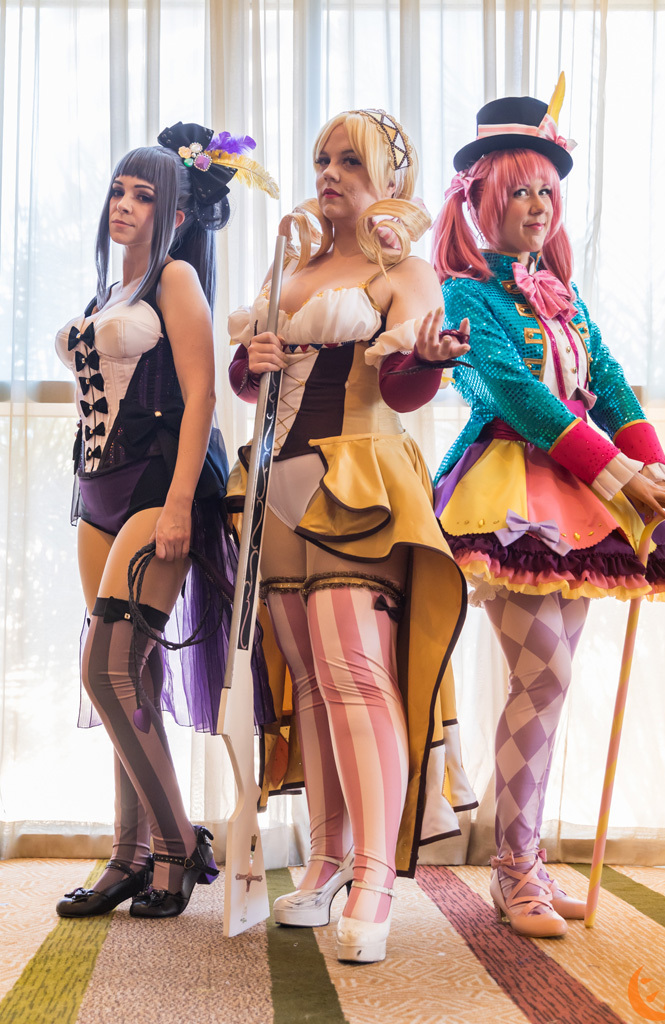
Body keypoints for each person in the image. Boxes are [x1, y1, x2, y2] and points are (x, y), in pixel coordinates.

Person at [431, 85, 665, 938]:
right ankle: (511, 868)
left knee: (548, 682)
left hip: (578, 492)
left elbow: (605, 381)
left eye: (546, 190)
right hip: (506, 489)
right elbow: (511, 393)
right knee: (544, 673)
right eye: (520, 190)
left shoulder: (560, 293)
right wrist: (619, 473)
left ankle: (525, 860)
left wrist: (656, 471)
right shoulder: (464, 293)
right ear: (482, 198)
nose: (537, 206)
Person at [228, 108, 477, 962]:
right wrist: (250, 363)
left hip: (358, 478)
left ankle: (374, 875)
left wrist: (429, 360)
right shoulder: (291, 267)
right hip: (274, 483)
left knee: (356, 672)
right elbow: (253, 379)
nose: (329, 173)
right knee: (307, 677)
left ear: (389, 180)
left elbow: (403, 387)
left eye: (351, 162)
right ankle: (327, 858)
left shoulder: (403, 271)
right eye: (322, 159)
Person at [54, 121, 276, 919]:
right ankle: (130, 854)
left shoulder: (175, 279)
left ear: (175, 214)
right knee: (130, 674)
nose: (123, 204)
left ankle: (179, 845)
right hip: (97, 488)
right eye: (118, 190)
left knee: (107, 672)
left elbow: (202, 393)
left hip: (158, 483)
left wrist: (181, 501)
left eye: (143, 195)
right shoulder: (107, 293)